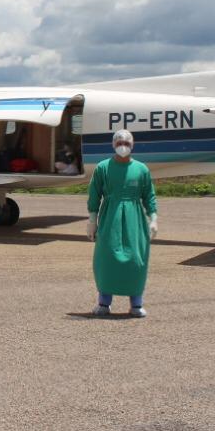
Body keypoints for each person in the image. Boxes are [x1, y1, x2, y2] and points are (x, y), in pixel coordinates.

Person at [86, 129, 158, 317]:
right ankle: (104, 302)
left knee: (136, 259)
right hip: (110, 217)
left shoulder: (141, 169)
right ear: (113, 145)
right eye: (119, 143)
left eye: (126, 143)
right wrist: (92, 220)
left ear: (132, 145)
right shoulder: (102, 168)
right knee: (107, 258)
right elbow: (94, 195)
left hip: (135, 219)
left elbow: (149, 196)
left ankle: (136, 304)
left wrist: (153, 219)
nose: (122, 146)